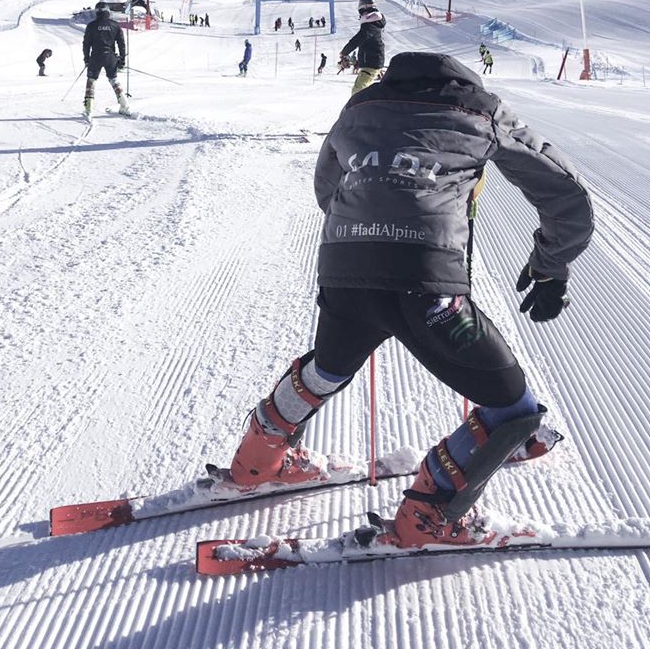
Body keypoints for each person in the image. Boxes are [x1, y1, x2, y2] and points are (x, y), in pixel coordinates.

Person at [227, 52, 594, 550]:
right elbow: (565, 193)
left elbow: (327, 187)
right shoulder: (482, 110)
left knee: (327, 370)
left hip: (345, 270)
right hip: (427, 283)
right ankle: (429, 516)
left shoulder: (359, 106)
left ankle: (257, 461)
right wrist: (550, 266)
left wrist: (369, 226)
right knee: (514, 406)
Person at [82, 8, 130, 117]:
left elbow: (86, 44)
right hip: (110, 57)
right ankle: (124, 105)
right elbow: (121, 43)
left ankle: (88, 108)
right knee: (114, 80)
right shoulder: (115, 25)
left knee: (91, 80)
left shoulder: (91, 25)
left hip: (95, 56)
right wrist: (122, 59)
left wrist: (86, 59)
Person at [340, 0, 386, 95]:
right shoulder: (374, 22)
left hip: (371, 63)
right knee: (362, 90)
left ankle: (362, 105)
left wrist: (345, 52)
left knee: (358, 91)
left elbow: (359, 38)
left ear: (364, 9)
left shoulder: (370, 24)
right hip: (371, 62)